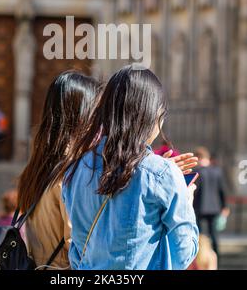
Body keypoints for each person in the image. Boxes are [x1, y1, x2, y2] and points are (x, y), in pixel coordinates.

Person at [59, 64, 199, 270]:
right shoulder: (162, 174)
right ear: (151, 115)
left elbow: (77, 251)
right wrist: (185, 200)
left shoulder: (75, 169)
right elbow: (183, 254)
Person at [18, 71, 101, 270]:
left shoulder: (37, 169)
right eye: (97, 111)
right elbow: (79, 246)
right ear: (83, 115)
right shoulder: (71, 172)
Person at [193, 146, 229, 259]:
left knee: (198, 236)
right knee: (214, 236)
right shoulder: (217, 171)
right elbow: (222, 190)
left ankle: (199, 261)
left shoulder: (197, 172)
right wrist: (225, 207)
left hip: (199, 207)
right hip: (214, 208)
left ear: (198, 157)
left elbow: (194, 190)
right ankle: (215, 260)